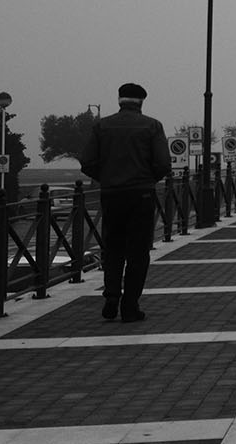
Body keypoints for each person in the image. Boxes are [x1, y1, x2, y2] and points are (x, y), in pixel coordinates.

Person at [79, 82, 171, 323]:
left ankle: (111, 295)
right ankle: (130, 306)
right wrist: (149, 178)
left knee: (113, 247)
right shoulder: (152, 126)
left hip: (111, 194)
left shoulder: (102, 126)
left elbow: (87, 162)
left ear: (119, 100)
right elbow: (163, 163)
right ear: (141, 102)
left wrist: (108, 177)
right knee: (139, 252)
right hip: (141, 194)